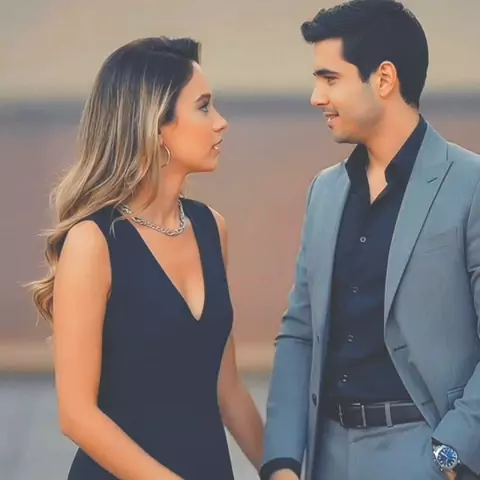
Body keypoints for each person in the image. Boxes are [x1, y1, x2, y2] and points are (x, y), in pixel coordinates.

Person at [261, 1, 480, 480]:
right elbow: (300, 331)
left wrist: (452, 459)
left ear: (384, 78)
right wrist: (281, 460)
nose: (316, 97)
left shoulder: (470, 185)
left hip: (426, 453)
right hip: (327, 458)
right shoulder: (325, 191)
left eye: (330, 78)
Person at [28, 37, 264, 480]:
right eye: (204, 107)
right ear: (155, 126)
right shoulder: (92, 243)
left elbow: (227, 388)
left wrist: (281, 470)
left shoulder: (212, 228)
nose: (221, 122)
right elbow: (76, 415)